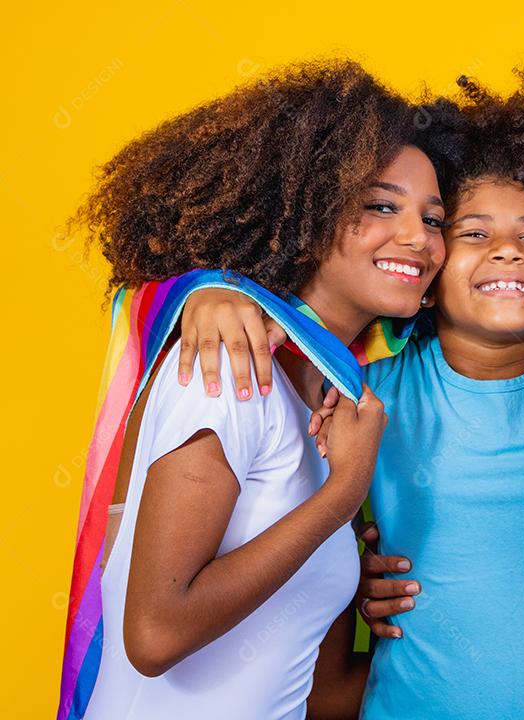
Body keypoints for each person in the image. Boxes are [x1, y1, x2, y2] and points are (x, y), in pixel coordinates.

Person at [161, 76, 524, 720]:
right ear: (430, 272)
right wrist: (212, 288)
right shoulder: (362, 386)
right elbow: (307, 539)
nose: (507, 251)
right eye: (472, 234)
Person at [58, 60, 447, 720]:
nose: (418, 238)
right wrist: (341, 495)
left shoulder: (332, 407)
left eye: (434, 218)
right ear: (303, 213)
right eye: (380, 205)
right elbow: (156, 635)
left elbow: (318, 695)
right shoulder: (228, 368)